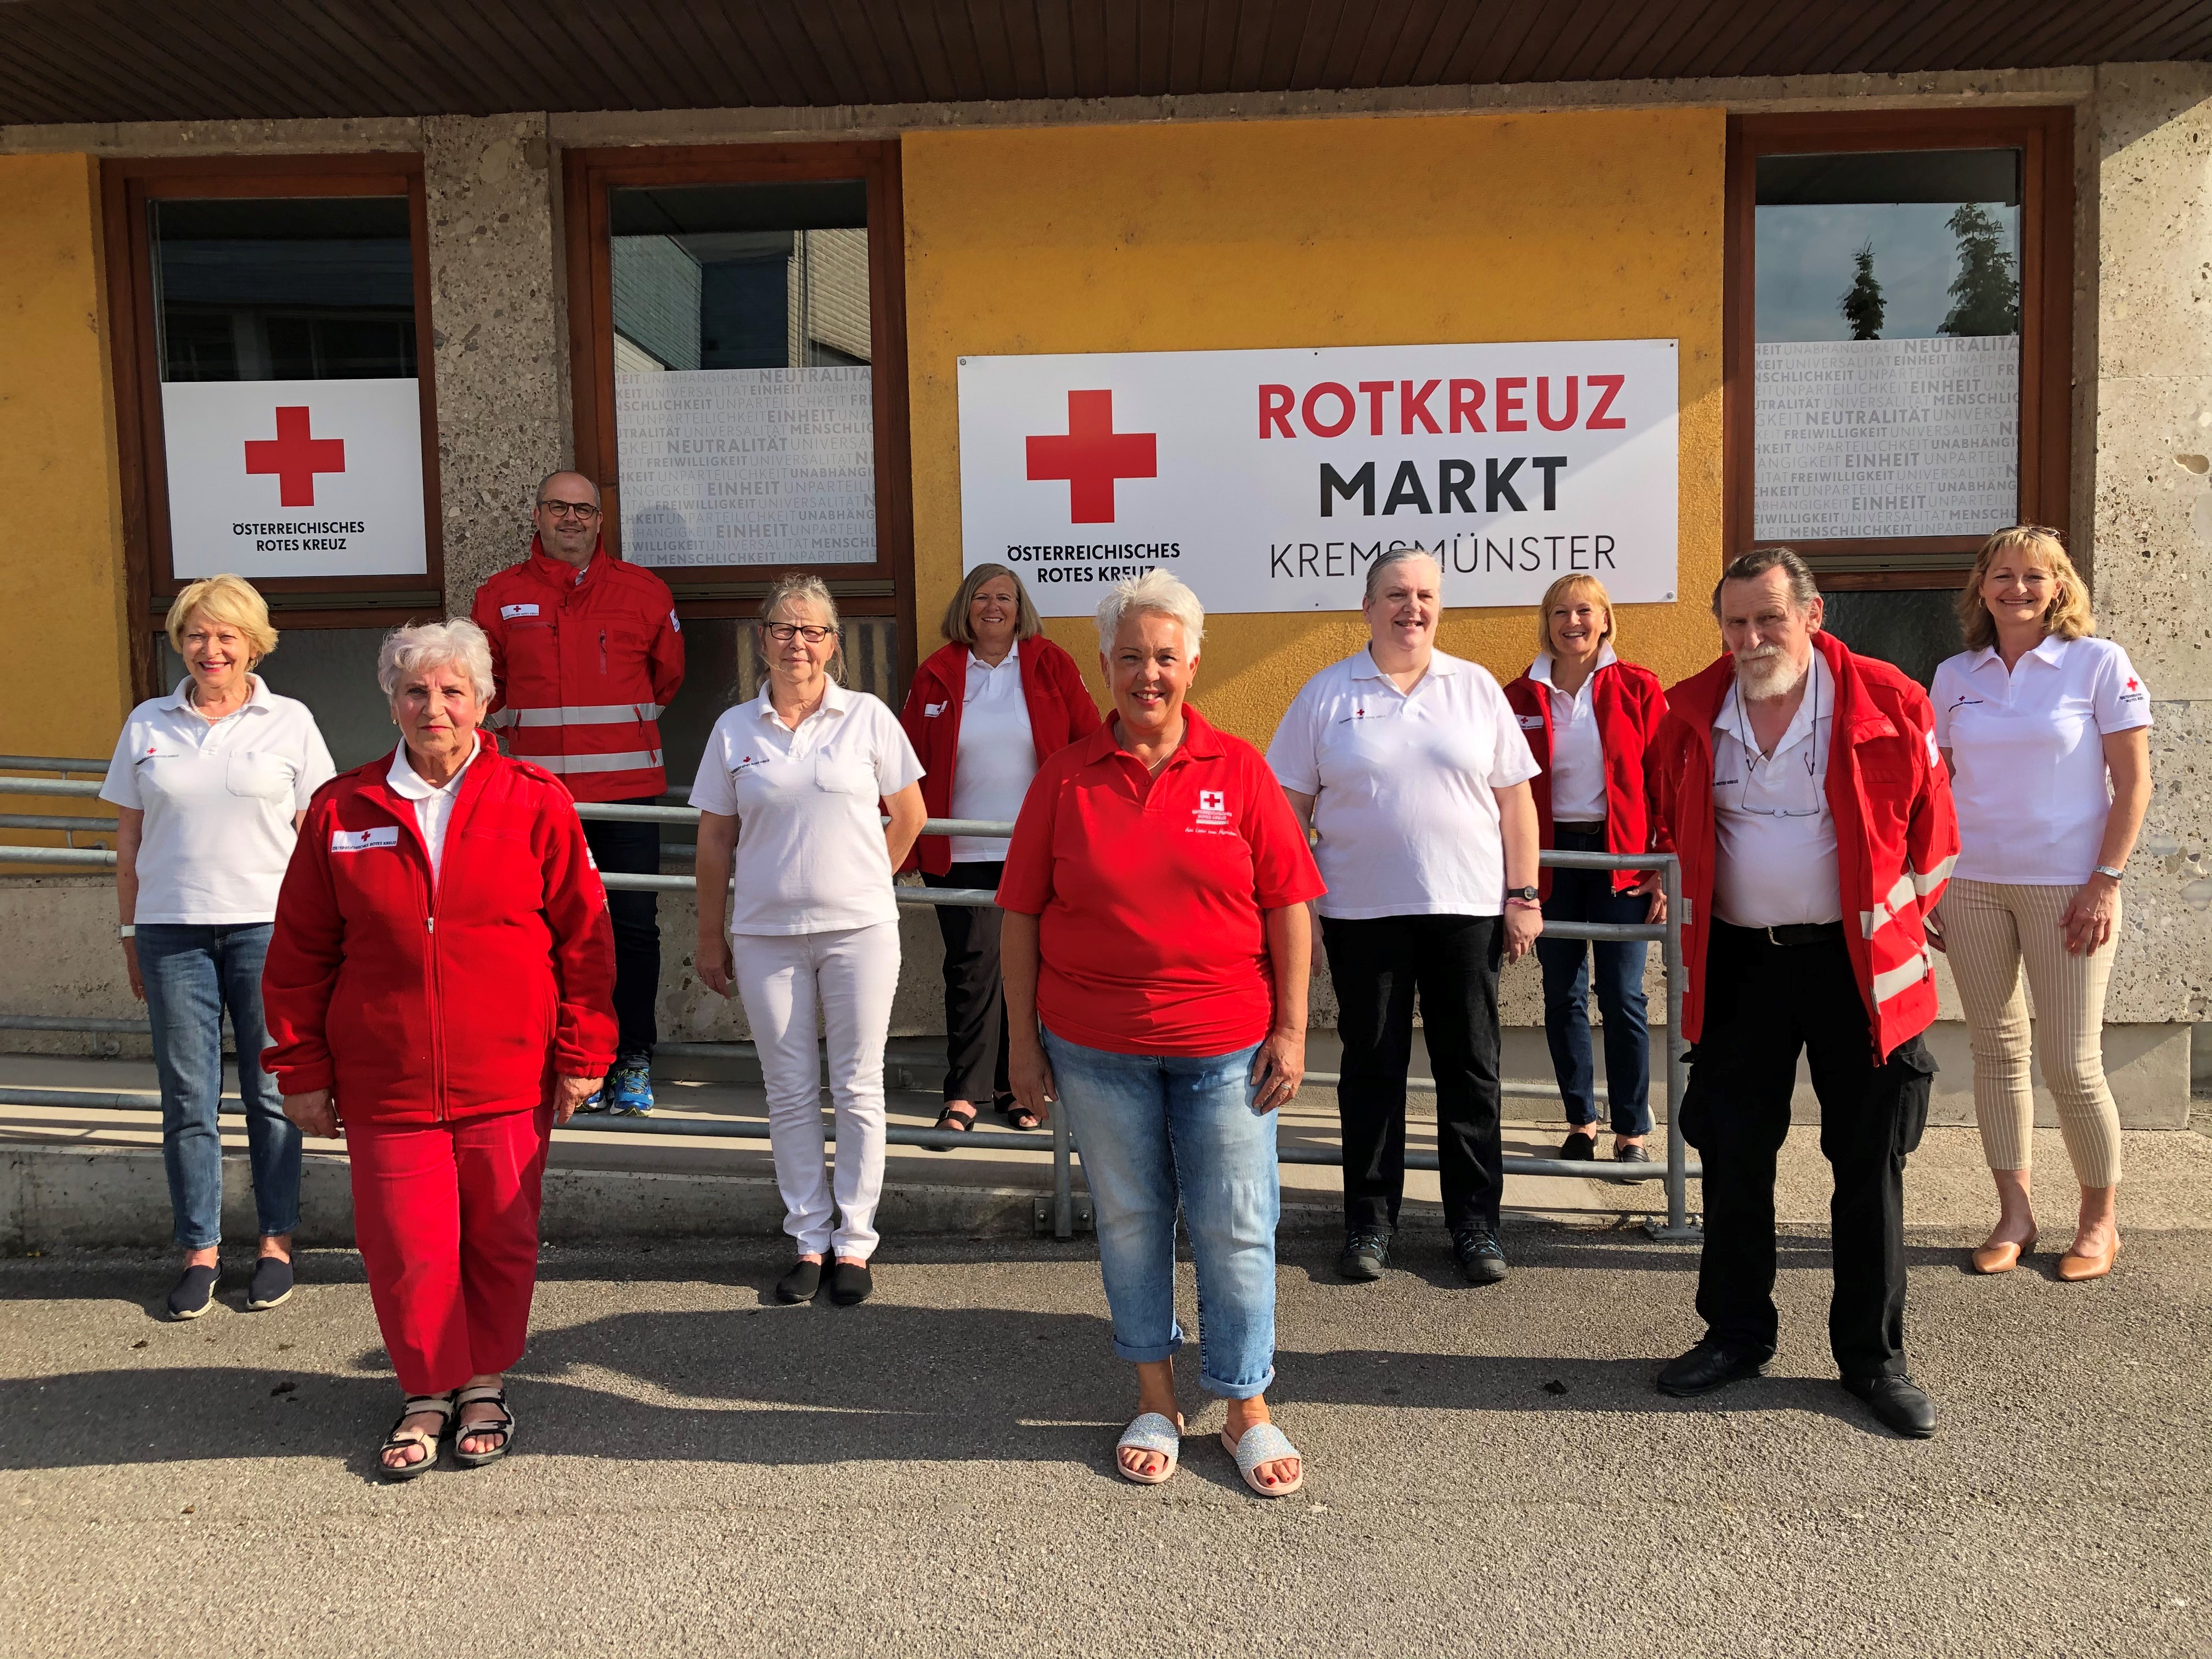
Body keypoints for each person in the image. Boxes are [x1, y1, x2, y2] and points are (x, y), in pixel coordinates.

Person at [262, 619, 615, 1479]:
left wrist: (583, 1050)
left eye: (454, 691)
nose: (436, 708)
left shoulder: (535, 798)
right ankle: (426, 1388)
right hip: (387, 1075)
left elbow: (584, 939)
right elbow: (300, 950)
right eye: (416, 691)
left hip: (507, 1068)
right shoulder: (344, 810)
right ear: (391, 701)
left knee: (499, 1236)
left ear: (484, 702)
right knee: (405, 1243)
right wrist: (300, 1069)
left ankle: (484, 1378)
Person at [1002, 569, 1324, 1497]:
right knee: (1134, 1223)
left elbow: (1290, 905)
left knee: (1236, 1221)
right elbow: (1019, 914)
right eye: (1132, 655)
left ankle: (1246, 1403)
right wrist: (1022, 1045)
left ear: (1193, 662)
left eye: (1166, 655)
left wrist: (1294, 1030)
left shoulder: (1240, 771)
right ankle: (1155, 1395)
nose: (1150, 672)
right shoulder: (1064, 779)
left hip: (1227, 1045)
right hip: (1094, 1048)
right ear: (1104, 664)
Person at [1646, 548, 1957, 1438]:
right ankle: (1735, 1333)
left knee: (1867, 1164)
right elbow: (1672, 816)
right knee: (1733, 1154)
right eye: (1735, 622)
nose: (1750, 638)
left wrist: (1898, 921)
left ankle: (1872, 1356)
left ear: (1812, 616)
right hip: (1741, 966)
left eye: (1768, 619)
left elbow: (1935, 832)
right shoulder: (1690, 710)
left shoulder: (1891, 700)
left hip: (1854, 969)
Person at [1268, 549, 1542, 1288]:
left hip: (1466, 912)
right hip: (1361, 915)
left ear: (1439, 607)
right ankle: (1369, 1222)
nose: (1410, 608)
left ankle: (1475, 1225)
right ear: (1367, 607)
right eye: (1395, 595)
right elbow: (1286, 811)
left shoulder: (1476, 688)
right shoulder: (1326, 694)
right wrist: (1302, 914)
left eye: (1424, 595)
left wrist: (1525, 896)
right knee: (1371, 1073)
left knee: (1471, 1073)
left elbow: (1516, 802)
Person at [99, 574, 336, 1322]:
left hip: (269, 932)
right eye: (198, 635)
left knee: (273, 1094)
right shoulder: (148, 722)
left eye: (227, 635)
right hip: (172, 931)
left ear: (254, 643)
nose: (212, 649)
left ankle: (274, 1243)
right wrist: (132, 932)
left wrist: (329, 940)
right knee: (188, 1100)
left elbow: (316, 837)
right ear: (181, 642)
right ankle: (200, 1250)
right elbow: (130, 838)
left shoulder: (290, 721)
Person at [691, 574, 926, 1309]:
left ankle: (855, 1243)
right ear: (763, 639)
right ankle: (808, 1240)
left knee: (858, 1087)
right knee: (789, 1092)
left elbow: (910, 815)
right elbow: (714, 841)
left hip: (860, 932)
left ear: (834, 643)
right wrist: (708, 936)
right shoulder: (734, 729)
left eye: (814, 631)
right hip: (765, 936)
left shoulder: (868, 718)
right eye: (785, 630)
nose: (799, 643)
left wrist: (868, 881)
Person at [1930, 527, 2151, 1282]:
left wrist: (2106, 879)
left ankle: (2099, 1222)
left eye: (2033, 576)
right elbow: (1940, 786)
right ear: (1981, 586)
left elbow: (2135, 782)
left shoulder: (2097, 663)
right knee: (1996, 1053)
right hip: (1973, 885)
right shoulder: (1956, 674)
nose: (2016, 589)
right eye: (2002, 575)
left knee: (2072, 1063)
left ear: (2059, 586)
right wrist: (1930, 882)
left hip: (2071, 889)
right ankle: (2015, 1213)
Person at [471, 471, 683, 1116]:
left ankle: (631, 1059)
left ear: (599, 520)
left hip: (625, 797)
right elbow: (486, 685)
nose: (570, 519)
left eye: (583, 509)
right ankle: (563, 1061)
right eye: (558, 508)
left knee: (632, 931)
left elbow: (667, 677)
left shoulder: (644, 592)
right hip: (537, 798)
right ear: (536, 515)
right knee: (543, 932)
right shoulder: (500, 596)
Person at [898, 562, 1102, 1139]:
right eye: (983, 597)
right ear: (966, 606)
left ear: (1020, 607)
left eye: (1005, 597)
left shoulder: (1049, 663)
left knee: (1027, 971)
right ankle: (965, 1092)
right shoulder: (938, 671)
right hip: (956, 848)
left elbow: (1089, 740)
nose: (994, 606)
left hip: (1034, 849)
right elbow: (907, 758)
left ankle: (1020, 1089)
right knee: (971, 969)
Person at [1504, 574, 1668, 1164]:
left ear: (1604, 619)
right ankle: (1581, 1122)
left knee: (1623, 996)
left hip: (1621, 861)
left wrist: (1661, 866)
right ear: (1547, 623)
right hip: (1549, 864)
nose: (1571, 622)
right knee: (1561, 994)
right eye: (1559, 612)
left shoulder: (1638, 688)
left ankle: (1632, 1131)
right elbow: (1502, 789)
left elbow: (1664, 780)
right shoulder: (1519, 695)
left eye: (1584, 611)